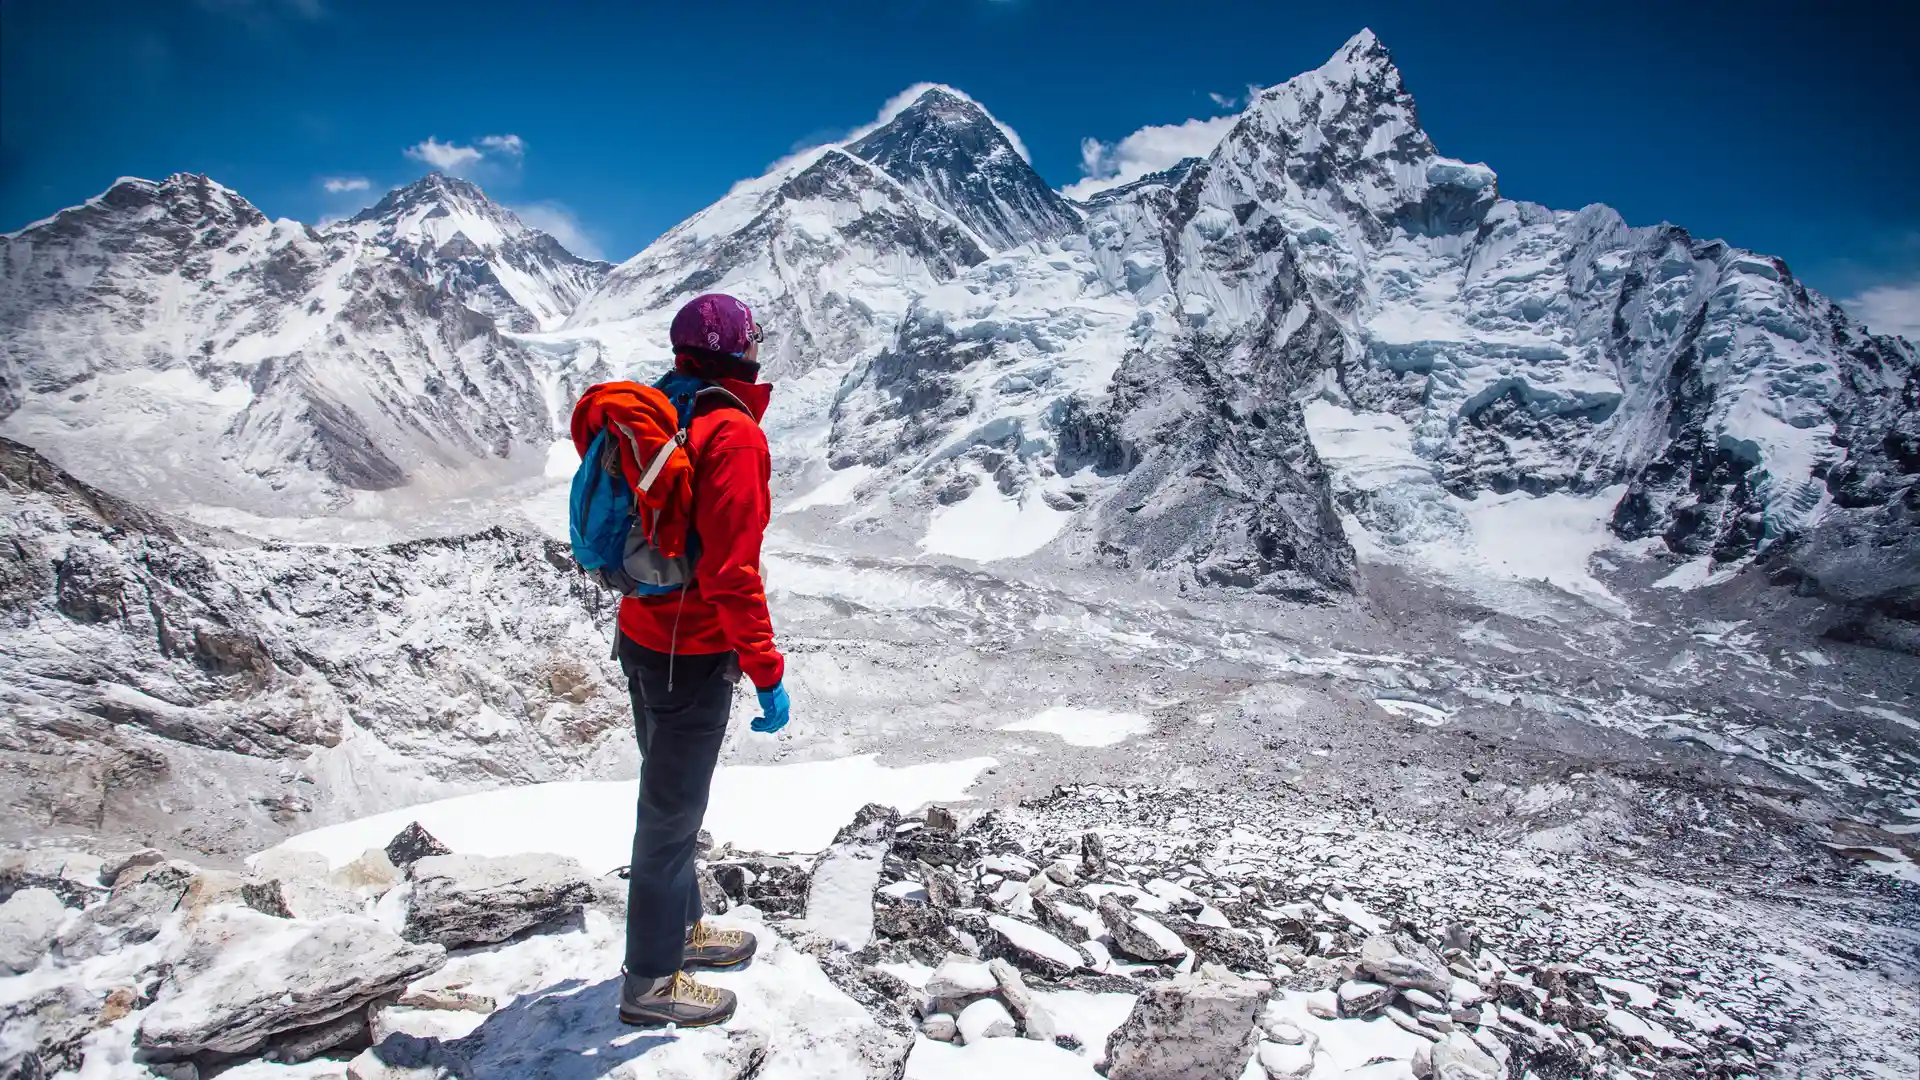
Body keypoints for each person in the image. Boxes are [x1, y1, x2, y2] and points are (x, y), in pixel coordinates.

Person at [616, 293, 791, 1028]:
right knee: (670, 816)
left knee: (672, 807)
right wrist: (767, 669)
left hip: (641, 636)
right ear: (737, 350)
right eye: (754, 339)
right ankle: (651, 983)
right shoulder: (732, 434)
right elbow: (730, 574)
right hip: (693, 654)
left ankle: (682, 932)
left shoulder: (657, 412)